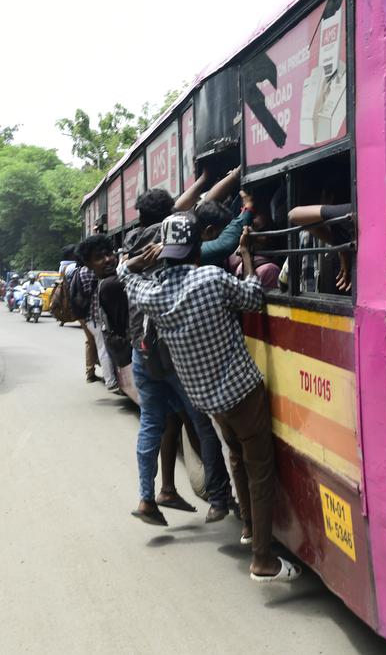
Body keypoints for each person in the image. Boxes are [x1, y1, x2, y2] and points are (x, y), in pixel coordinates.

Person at [119, 213, 300, 583]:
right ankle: (262, 559)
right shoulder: (211, 278)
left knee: (236, 455)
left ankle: (249, 527)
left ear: (163, 252)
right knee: (260, 470)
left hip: (208, 402)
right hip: (242, 393)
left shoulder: (152, 294)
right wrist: (247, 255)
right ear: (197, 248)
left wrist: (137, 260)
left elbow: (125, 275)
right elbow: (253, 296)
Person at [104, 189, 236, 526]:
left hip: (142, 349)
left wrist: (131, 263)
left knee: (152, 424)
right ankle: (220, 499)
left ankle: (148, 498)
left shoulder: (134, 244)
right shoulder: (171, 241)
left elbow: (122, 274)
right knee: (202, 422)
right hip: (173, 353)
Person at [75, 236, 119, 393]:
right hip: (96, 318)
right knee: (103, 348)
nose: (107, 260)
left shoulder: (85, 272)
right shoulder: (89, 273)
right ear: (88, 262)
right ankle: (111, 382)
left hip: (95, 318)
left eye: (108, 254)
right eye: (99, 258)